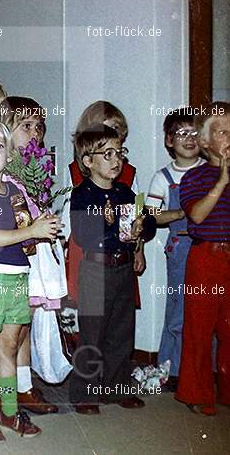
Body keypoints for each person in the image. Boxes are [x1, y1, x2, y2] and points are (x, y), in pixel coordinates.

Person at [0, 118, 59, 441]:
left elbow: (28, 225)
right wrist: (32, 230)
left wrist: (42, 222)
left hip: (19, 277)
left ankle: (9, 409)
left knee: (10, 347)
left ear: (9, 153)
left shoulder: (16, 189)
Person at [68, 125, 155, 415]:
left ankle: (116, 388)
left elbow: (146, 223)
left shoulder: (125, 192)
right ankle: (85, 393)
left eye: (120, 152)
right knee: (92, 332)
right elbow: (83, 235)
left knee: (122, 330)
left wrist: (144, 225)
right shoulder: (82, 195)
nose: (116, 159)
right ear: (88, 160)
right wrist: (107, 223)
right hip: (96, 269)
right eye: (107, 154)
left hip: (123, 268)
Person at [62, 101, 146, 310]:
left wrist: (139, 248)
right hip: (87, 248)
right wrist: (62, 246)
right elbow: (67, 214)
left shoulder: (129, 172)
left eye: (115, 131)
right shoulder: (73, 172)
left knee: (118, 308)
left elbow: (136, 214)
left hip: (120, 250)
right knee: (90, 305)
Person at [176, 101, 230, 416]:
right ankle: (196, 393)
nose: (229, 138)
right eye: (222, 132)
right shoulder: (194, 178)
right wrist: (221, 181)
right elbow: (196, 215)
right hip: (205, 259)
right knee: (199, 328)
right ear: (206, 142)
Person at [145, 107, 203, 391]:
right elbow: (151, 215)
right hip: (181, 246)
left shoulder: (211, 171)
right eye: (181, 133)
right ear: (169, 141)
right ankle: (172, 370)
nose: (189, 138)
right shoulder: (163, 177)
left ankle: (207, 371)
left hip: (210, 247)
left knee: (207, 308)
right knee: (179, 309)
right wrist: (182, 212)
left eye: (194, 132)